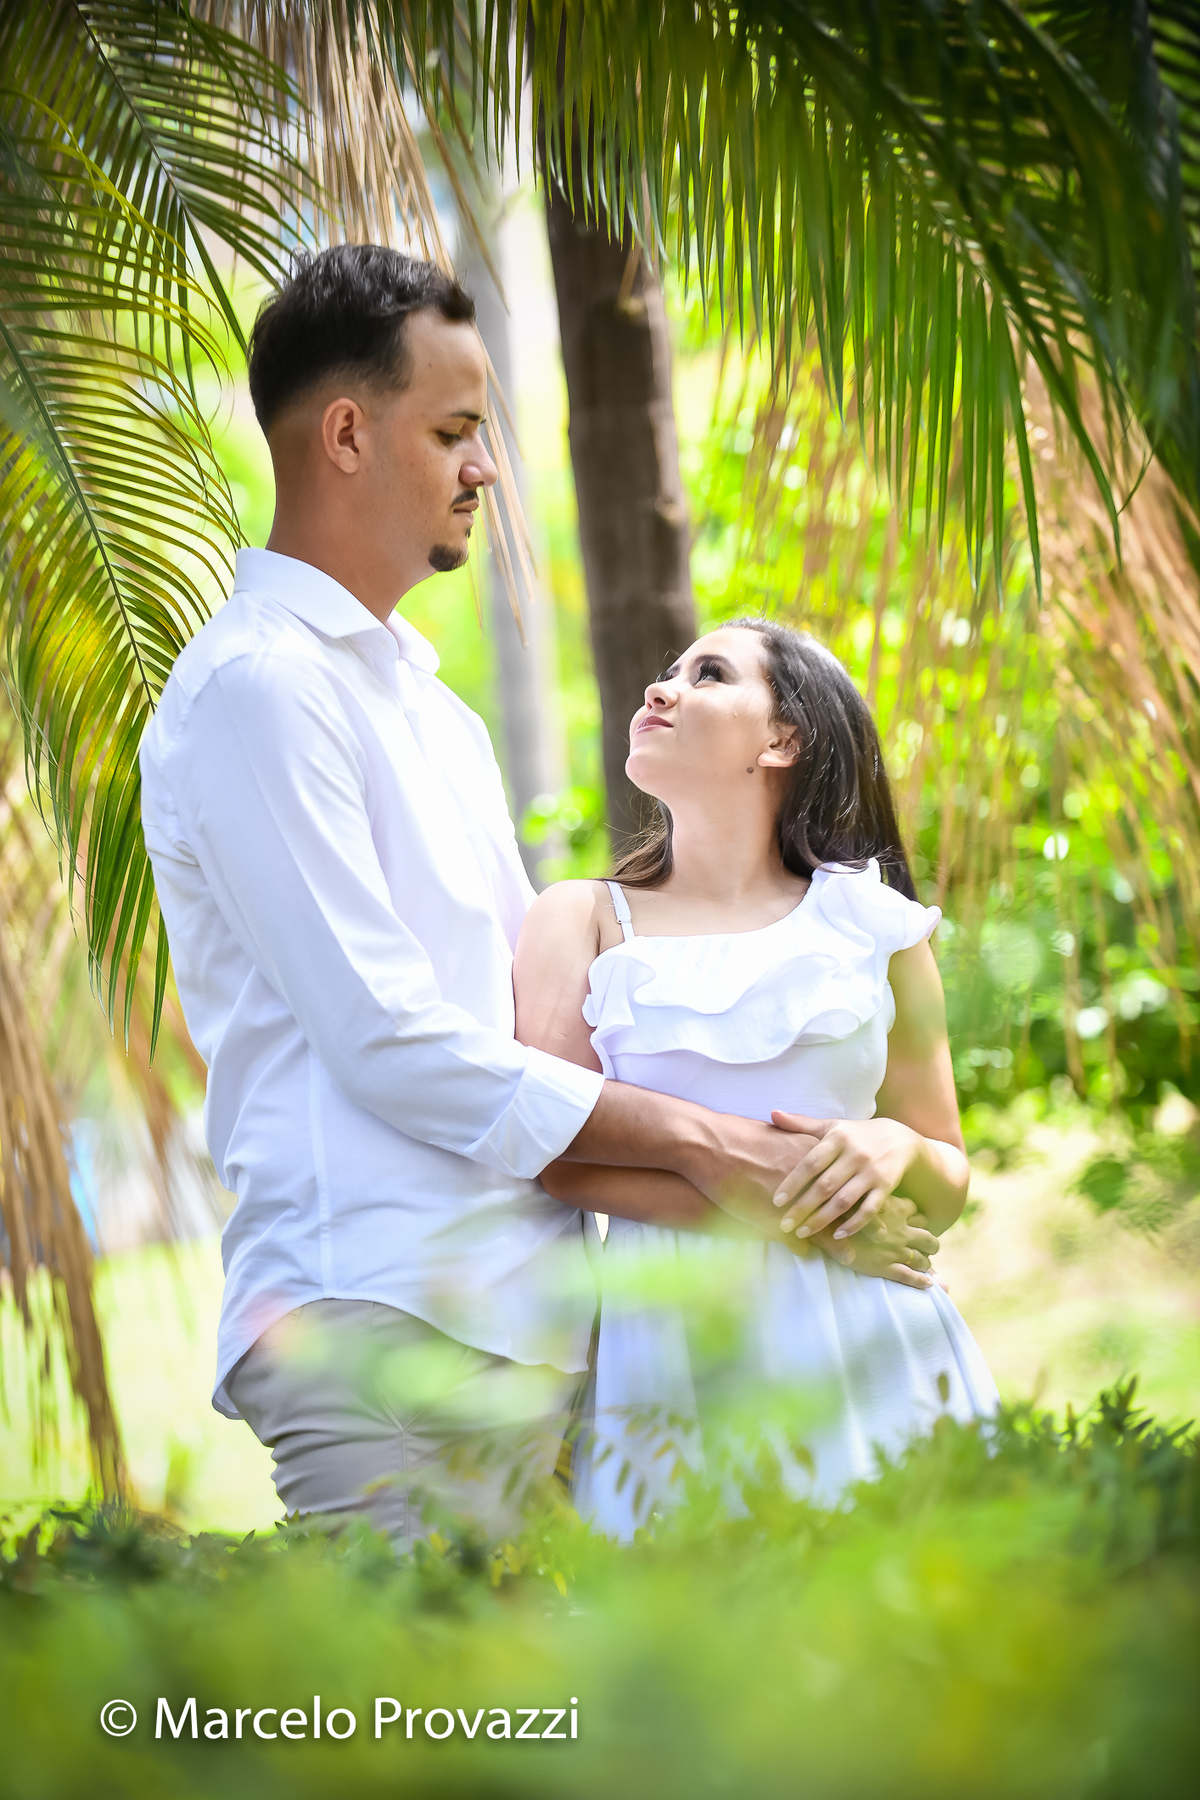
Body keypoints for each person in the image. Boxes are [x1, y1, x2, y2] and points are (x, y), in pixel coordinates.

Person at [139, 246, 937, 1550]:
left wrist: (818, 1188)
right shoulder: (257, 688)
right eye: (454, 431)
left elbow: (545, 1038)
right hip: (385, 1321)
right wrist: (719, 1149)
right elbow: (389, 1039)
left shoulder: (433, 713)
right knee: (417, 1687)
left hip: (543, 1342)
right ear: (346, 435)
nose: (487, 469)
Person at [514, 620, 1000, 1538]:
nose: (661, 689)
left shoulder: (876, 924)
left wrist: (894, 1146)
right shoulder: (579, 918)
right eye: (666, 671)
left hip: (874, 1332)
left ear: (783, 739)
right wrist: (792, 1220)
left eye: (708, 674)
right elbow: (557, 1155)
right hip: (676, 1343)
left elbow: (946, 1177)